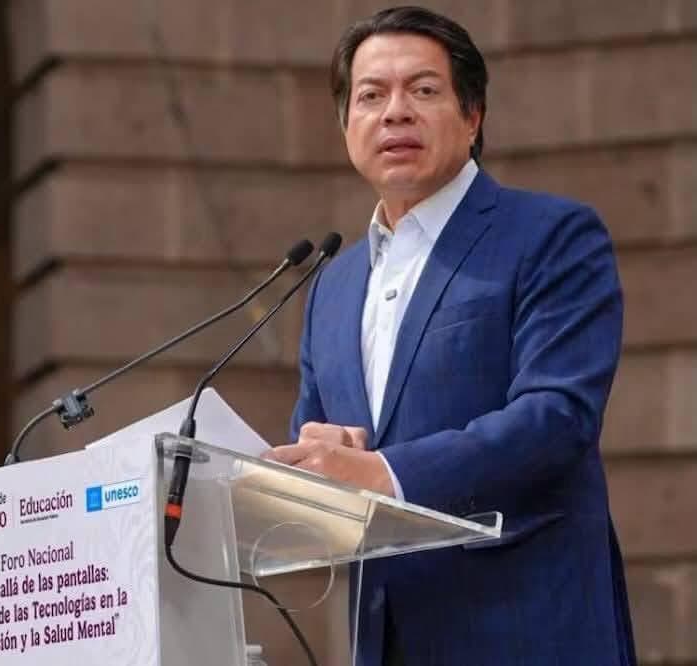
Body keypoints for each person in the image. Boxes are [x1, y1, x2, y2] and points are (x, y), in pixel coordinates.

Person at [262, 6, 636, 665]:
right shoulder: (331, 284)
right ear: (346, 126)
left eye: (423, 90)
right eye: (370, 96)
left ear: (473, 116)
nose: (394, 113)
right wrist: (323, 454)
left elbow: (557, 417)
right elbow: (320, 442)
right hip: (388, 639)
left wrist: (383, 471)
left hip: (526, 632)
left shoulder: (549, 236)